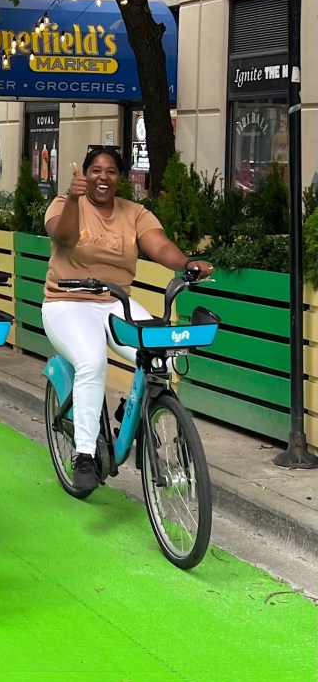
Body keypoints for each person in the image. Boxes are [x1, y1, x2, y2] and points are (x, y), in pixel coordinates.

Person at [42, 147, 214, 491]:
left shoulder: (134, 212)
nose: (103, 177)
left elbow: (159, 245)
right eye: (95, 171)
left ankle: (133, 406)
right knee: (92, 362)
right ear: (84, 175)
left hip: (114, 301)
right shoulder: (63, 204)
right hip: (66, 302)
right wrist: (74, 201)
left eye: (111, 172)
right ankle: (85, 455)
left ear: (120, 178)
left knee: (158, 354)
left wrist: (186, 264)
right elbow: (63, 237)